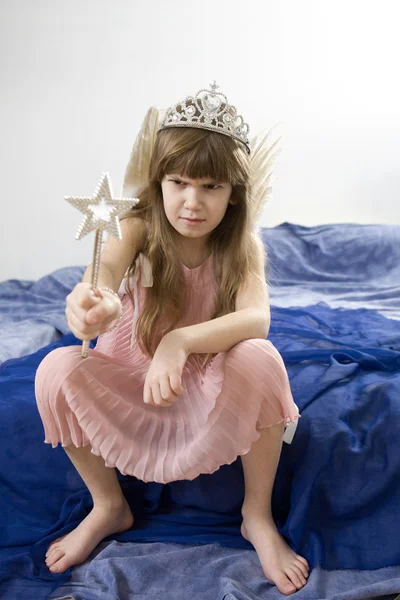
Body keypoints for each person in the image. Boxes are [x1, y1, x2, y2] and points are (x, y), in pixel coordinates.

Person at [35, 81, 310, 595]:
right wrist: (91, 303)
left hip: (202, 379)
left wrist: (180, 342)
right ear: (159, 181)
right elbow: (104, 279)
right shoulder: (137, 226)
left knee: (263, 358)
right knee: (54, 370)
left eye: (212, 187)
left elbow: (257, 318)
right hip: (133, 375)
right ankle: (109, 505)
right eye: (180, 181)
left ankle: (257, 516)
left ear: (233, 194)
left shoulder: (242, 243)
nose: (192, 201)